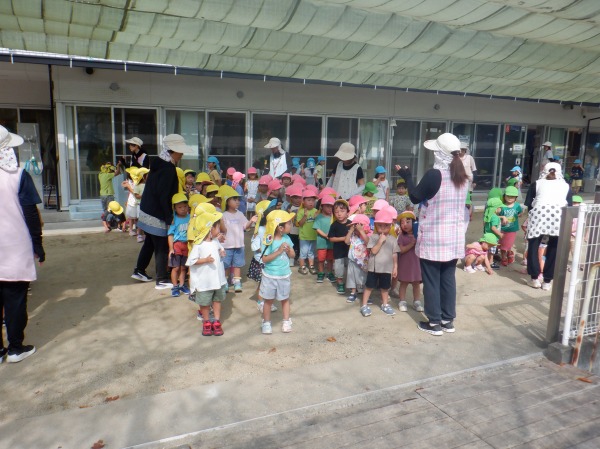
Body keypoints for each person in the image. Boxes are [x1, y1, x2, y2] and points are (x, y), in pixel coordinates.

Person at [396, 132, 468, 336]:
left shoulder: (435, 175)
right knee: (448, 278)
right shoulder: (463, 177)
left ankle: (434, 322)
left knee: (431, 280)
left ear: (439, 153)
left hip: (435, 237)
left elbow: (415, 196)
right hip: (453, 237)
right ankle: (447, 320)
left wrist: (407, 177)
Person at [0, 126, 44, 363]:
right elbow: (30, 214)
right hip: (14, 247)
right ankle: (15, 348)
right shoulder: (18, 176)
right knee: (15, 299)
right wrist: (38, 244)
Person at [132, 134, 194, 289]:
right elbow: (164, 195)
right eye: (180, 151)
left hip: (147, 209)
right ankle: (161, 279)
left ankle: (139, 270)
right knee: (161, 246)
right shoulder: (168, 169)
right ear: (172, 151)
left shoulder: (158, 162)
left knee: (150, 242)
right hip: (157, 212)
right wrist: (168, 217)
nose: (182, 154)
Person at [524, 162, 572, 290]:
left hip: (538, 214)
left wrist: (531, 216)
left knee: (533, 245)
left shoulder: (537, 183)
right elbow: (570, 205)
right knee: (554, 248)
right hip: (559, 215)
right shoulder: (565, 185)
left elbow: (528, 203)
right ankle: (547, 281)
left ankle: (534, 279)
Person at [186, 209, 226, 336]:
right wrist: (205, 260)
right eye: (217, 227)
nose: (219, 229)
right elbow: (191, 261)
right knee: (204, 303)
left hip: (217, 280)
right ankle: (206, 321)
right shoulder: (198, 245)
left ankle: (217, 321)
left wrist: (222, 252)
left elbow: (220, 249)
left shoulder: (215, 241)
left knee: (217, 300)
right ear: (210, 229)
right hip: (205, 281)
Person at [260, 210, 296, 334]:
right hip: (270, 275)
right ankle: (266, 322)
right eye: (289, 223)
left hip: (284, 275)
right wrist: (279, 251)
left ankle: (286, 321)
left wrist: (289, 250)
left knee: (285, 299)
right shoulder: (268, 240)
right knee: (268, 300)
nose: (291, 225)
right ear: (280, 228)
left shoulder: (287, 238)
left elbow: (293, 255)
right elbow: (264, 259)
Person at [359, 207, 400, 317]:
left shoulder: (393, 239)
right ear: (376, 225)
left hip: (386, 269)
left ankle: (385, 304)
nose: (383, 228)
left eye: (386, 225)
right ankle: (364, 305)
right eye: (380, 225)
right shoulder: (373, 237)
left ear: (390, 226)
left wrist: (395, 267)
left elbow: (394, 254)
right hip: (374, 268)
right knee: (369, 286)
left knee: (385, 288)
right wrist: (380, 241)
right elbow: (373, 251)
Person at [396, 211, 423, 312]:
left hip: (416, 264)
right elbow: (401, 250)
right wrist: (411, 244)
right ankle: (402, 301)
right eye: (402, 223)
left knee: (416, 283)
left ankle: (417, 301)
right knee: (404, 283)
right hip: (405, 265)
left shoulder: (419, 235)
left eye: (408, 222)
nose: (405, 225)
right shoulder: (401, 236)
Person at [168, 193, 191, 297]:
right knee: (176, 268)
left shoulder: (190, 218)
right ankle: (175, 286)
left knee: (183, 268)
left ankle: (182, 285)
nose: (183, 209)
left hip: (187, 245)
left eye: (185, 206)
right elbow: (170, 235)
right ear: (175, 208)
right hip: (177, 245)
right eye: (180, 207)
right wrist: (171, 248)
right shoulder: (174, 220)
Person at [345, 214, 371, 304]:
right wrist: (351, 231)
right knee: (351, 278)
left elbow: (368, 243)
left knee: (363, 278)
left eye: (359, 226)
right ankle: (353, 292)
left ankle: (365, 294)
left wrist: (361, 231)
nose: (356, 228)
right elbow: (346, 241)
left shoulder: (368, 234)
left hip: (363, 261)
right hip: (352, 260)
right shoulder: (353, 235)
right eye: (355, 226)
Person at [328, 199, 351, 295]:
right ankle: (340, 283)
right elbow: (331, 238)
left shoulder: (351, 223)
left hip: (350, 252)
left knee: (350, 268)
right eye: (336, 212)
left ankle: (352, 285)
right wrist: (343, 238)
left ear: (347, 212)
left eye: (342, 211)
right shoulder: (334, 225)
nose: (339, 214)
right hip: (338, 252)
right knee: (339, 269)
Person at [313, 195, 335, 283]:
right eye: (328, 206)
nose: (330, 209)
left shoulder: (334, 217)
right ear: (322, 206)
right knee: (321, 259)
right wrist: (325, 236)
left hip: (331, 243)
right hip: (322, 243)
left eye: (332, 207)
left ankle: (330, 273)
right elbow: (317, 228)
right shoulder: (319, 217)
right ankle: (321, 273)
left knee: (330, 259)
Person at [296, 189, 318, 275]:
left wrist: (317, 218)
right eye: (308, 200)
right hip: (304, 237)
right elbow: (300, 224)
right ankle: (302, 266)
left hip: (313, 236)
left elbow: (318, 224)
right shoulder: (301, 211)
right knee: (303, 252)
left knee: (311, 252)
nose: (311, 202)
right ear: (303, 201)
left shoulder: (316, 211)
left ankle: (311, 266)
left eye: (313, 200)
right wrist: (305, 216)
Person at [499, 186, 523, 266]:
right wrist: (501, 217)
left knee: (508, 244)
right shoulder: (501, 206)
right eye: (508, 196)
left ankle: (509, 252)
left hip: (512, 229)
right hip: (502, 229)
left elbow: (520, 212)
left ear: (516, 197)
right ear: (504, 196)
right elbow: (496, 216)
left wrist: (520, 214)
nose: (510, 198)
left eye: (512, 197)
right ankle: (503, 257)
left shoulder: (517, 206)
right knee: (502, 244)